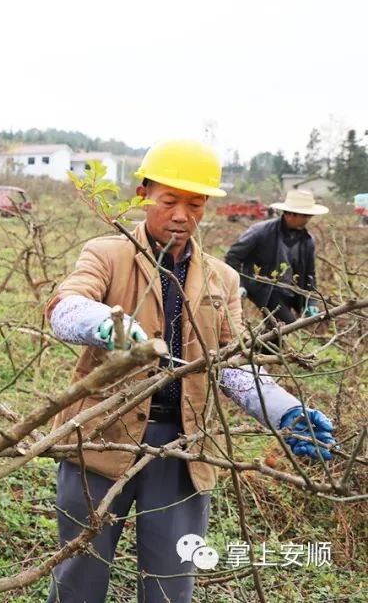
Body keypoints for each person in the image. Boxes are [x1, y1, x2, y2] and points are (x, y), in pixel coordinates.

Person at [44, 140, 335, 603]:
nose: (182, 214)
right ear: (144, 194)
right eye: (169, 200)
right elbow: (65, 307)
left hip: (184, 449)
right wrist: (108, 325)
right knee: (79, 576)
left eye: (195, 203)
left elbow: (233, 365)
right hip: (101, 438)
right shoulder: (106, 254)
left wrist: (285, 412)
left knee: (170, 582)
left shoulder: (223, 278)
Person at [224, 190, 328, 325]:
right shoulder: (260, 232)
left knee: (274, 331)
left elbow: (310, 274)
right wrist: (239, 284)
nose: (308, 220)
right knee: (289, 323)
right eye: (305, 216)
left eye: (309, 216)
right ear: (290, 215)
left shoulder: (307, 241)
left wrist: (311, 301)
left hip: (291, 290)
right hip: (264, 287)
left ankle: (258, 346)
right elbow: (233, 256)